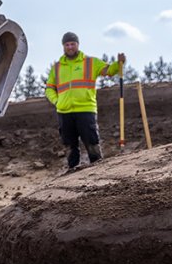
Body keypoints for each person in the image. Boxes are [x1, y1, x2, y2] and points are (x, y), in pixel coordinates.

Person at [45, 32, 125, 171]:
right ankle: (72, 171)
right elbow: (49, 88)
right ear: (63, 46)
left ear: (78, 45)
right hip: (64, 111)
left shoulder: (90, 62)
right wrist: (57, 101)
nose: (70, 47)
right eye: (67, 44)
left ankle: (98, 169)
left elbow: (108, 71)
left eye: (72, 44)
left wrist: (118, 64)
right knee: (69, 145)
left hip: (86, 109)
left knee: (92, 141)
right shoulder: (57, 67)